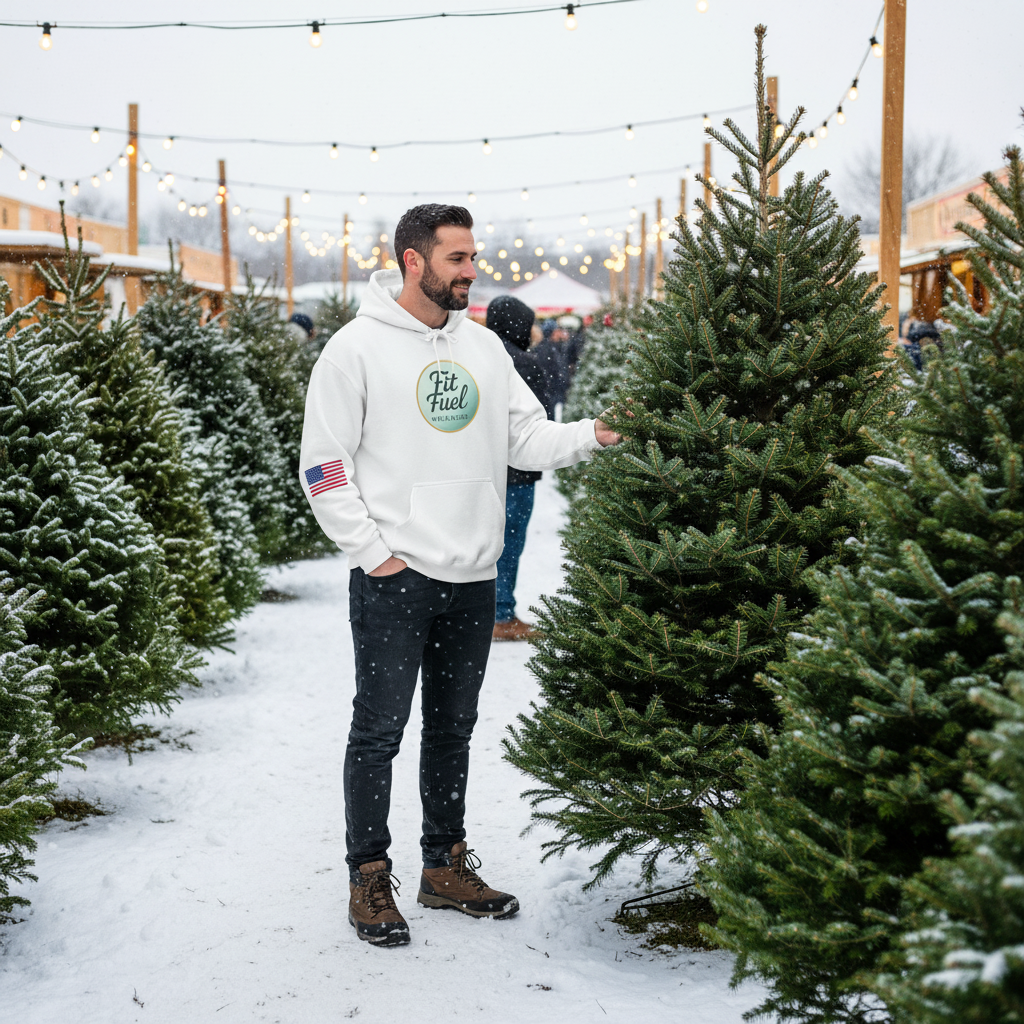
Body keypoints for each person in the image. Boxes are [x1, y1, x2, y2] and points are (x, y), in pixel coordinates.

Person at [299, 204, 620, 947]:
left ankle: (443, 866)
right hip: (396, 579)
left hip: (473, 579)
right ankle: (368, 875)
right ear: (414, 262)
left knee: (453, 730)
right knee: (378, 732)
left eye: (474, 257)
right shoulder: (354, 351)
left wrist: (595, 433)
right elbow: (323, 466)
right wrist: (374, 553)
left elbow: (528, 436)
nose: (471, 271)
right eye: (457, 259)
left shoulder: (483, 348)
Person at [485, 295, 548, 641]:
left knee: (485, 542)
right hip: (518, 474)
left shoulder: (478, 356)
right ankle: (501, 614)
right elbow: (539, 422)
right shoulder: (524, 363)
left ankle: (484, 613)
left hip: (484, 469)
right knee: (510, 541)